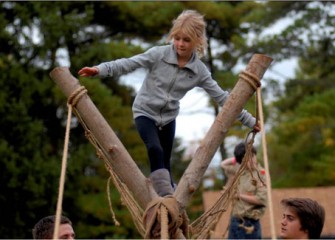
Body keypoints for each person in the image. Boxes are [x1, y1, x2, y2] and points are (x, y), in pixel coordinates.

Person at [78, 10, 260, 197]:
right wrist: (99, 70)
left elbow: (223, 98)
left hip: (168, 118)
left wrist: (250, 121)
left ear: (197, 41)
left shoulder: (199, 71)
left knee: (165, 162)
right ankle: (165, 197)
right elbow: (128, 63)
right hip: (144, 112)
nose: (180, 44)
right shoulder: (159, 54)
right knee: (155, 149)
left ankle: (170, 199)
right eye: (177, 38)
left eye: (186, 40)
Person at [221, 142, 267, 239]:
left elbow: (261, 200)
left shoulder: (261, 174)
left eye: (252, 156)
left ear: (255, 155)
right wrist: (236, 159)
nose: (250, 160)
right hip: (235, 220)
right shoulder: (239, 171)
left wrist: (239, 195)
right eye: (245, 159)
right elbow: (223, 164)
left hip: (250, 223)